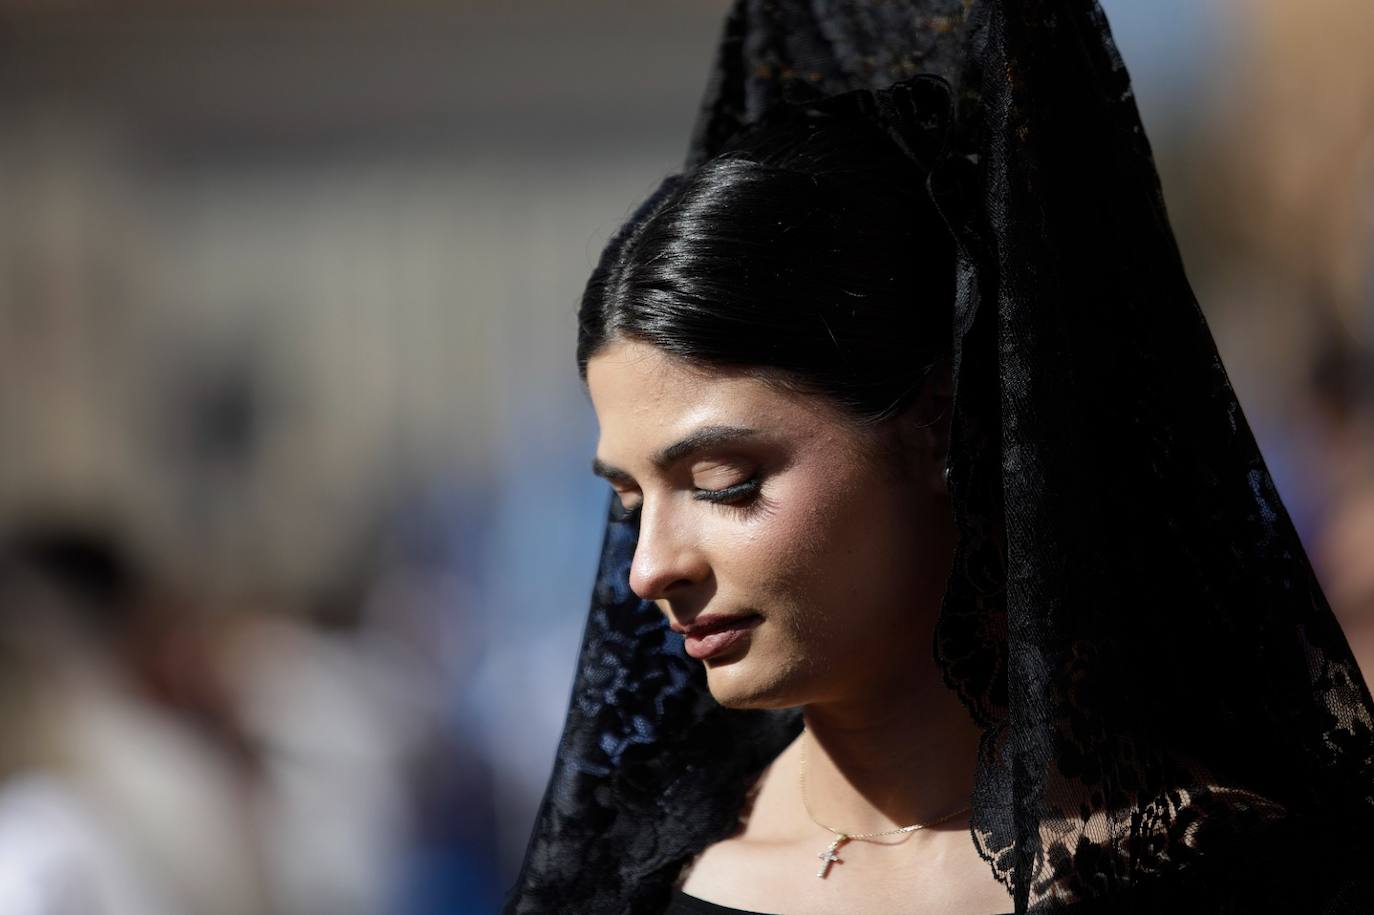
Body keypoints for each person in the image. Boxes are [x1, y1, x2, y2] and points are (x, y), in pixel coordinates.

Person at [505, 1, 1374, 913]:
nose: (650, 570)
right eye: (631, 502)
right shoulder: (638, 883)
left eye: (724, 482)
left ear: (936, 424)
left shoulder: (1245, 880)